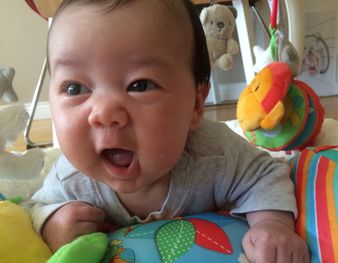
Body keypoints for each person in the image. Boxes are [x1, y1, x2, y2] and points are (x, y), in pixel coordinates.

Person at [26, 0, 309, 262]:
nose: (104, 114)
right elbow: (37, 206)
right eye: (75, 88)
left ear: (196, 104)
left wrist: (272, 223)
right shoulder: (71, 179)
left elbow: (265, 174)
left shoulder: (216, 155)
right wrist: (53, 223)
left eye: (140, 85)